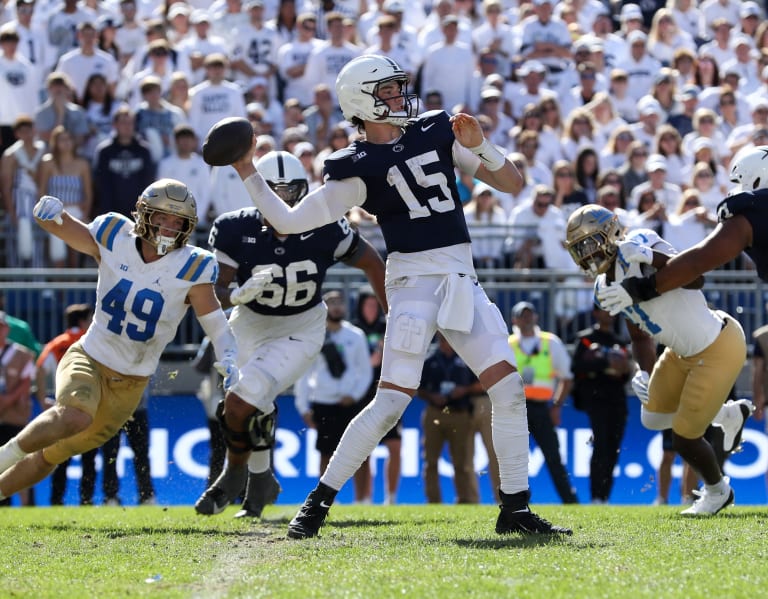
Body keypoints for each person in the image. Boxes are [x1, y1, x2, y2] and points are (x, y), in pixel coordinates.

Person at [228, 54, 572, 537]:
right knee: (390, 401)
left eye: (396, 87)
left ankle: (514, 509)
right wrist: (247, 169)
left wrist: (483, 146)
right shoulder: (352, 167)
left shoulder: (436, 130)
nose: (398, 96)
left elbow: (513, 183)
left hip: (460, 277)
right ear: (362, 102)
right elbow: (287, 221)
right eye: (386, 91)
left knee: (510, 389)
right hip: (412, 283)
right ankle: (318, 503)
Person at [0, 178, 239, 504]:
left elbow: (213, 320)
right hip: (89, 355)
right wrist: (47, 214)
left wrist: (228, 354)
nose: (169, 226)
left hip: (130, 382)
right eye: (162, 217)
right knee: (74, 415)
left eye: (177, 221)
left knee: (53, 454)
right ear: (144, 214)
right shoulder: (116, 236)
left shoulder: (193, 266)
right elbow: (67, 228)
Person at [193, 150, 386, 519]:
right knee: (254, 402)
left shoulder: (327, 226)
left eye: (290, 192)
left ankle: (235, 472)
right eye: (273, 192)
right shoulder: (234, 227)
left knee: (238, 402)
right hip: (248, 322)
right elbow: (212, 290)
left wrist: (392, 314)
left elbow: (371, 261)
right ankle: (262, 479)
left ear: (304, 192)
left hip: (300, 327)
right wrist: (233, 294)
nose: (282, 202)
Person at [565, 204, 754, 515]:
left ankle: (718, 491)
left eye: (591, 243)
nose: (587, 254)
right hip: (680, 352)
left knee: (683, 438)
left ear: (610, 233)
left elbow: (695, 279)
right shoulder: (603, 287)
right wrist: (643, 371)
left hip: (717, 346)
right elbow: (639, 336)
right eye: (580, 248)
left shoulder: (641, 244)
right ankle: (726, 416)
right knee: (651, 417)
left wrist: (651, 259)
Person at [596, 146, 768, 314]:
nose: (736, 189)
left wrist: (639, 289)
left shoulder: (753, 211)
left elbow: (698, 262)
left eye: (739, 181)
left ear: (758, 178)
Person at [294, 291, 373, 503]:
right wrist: (303, 407)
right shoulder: (315, 335)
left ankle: (363, 500)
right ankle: (326, 501)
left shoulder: (356, 336)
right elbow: (303, 373)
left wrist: (354, 395)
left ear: (346, 308)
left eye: (340, 302)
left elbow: (365, 372)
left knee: (361, 453)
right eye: (331, 303)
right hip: (323, 402)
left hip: (350, 403)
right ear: (324, 307)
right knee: (326, 454)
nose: (336, 307)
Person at [508, 301, 579, 505]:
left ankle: (570, 501)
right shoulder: (509, 344)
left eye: (530, 314)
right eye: (522, 315)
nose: (527, 319)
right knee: (514, 460)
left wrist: (556, 406)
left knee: (553, 457)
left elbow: (567, 377)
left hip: (541, 408)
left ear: (536, 317)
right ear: (515, 320)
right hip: (515, 409)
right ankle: (515, 503)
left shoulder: (550, 342)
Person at [35, 303, 97, 506]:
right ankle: (86, 500)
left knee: (60, 458)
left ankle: (56, 500)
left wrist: (43, 399)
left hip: (62, 409)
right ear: (82, 321)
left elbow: (40, 370)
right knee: (89, 458)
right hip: (89, 410)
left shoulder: (57, 343)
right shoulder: (90, 341)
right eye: (90, 319)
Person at [571, 308, 631, 504]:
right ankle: (596, 495)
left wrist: (620, 368)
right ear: (596, 313)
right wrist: (605, 364)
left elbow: (625, 374)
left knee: (613, 448)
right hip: (596, 398)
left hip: (617, 399)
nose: (609, 314)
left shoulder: (620, 341)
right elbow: (577, 367)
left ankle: (605, 496)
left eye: (612, 311)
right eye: (604, 311)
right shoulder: (586, 339)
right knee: (601, 445)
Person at [351, 284, 401, 505]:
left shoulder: (388, 328)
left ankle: (390, 498)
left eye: (374, 304)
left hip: (387, 391)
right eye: (367, 304)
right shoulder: (353, 331)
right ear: (360, 306)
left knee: (395, 445)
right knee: (363, 447)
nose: (371, 308)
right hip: (360, 394)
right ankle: (363, 498)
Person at [417, 332, 480, 504]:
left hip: (459, 413)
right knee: (430, 461)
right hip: (435, 412)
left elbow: (480, 383)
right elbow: (418, 387)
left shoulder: (467, 359)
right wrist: (432, 396)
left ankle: (465, 500)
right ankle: (433, 501)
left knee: (462, 461)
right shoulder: (429, 360)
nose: (446, 343)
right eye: (443, 339)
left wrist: (464, 390)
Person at [0, 310, 35, 506]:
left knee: (20, 461)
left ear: (6, 328)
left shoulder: (21, 354)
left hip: (15, 416)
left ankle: (26, 504)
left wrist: (8, 399)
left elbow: (27, 380)